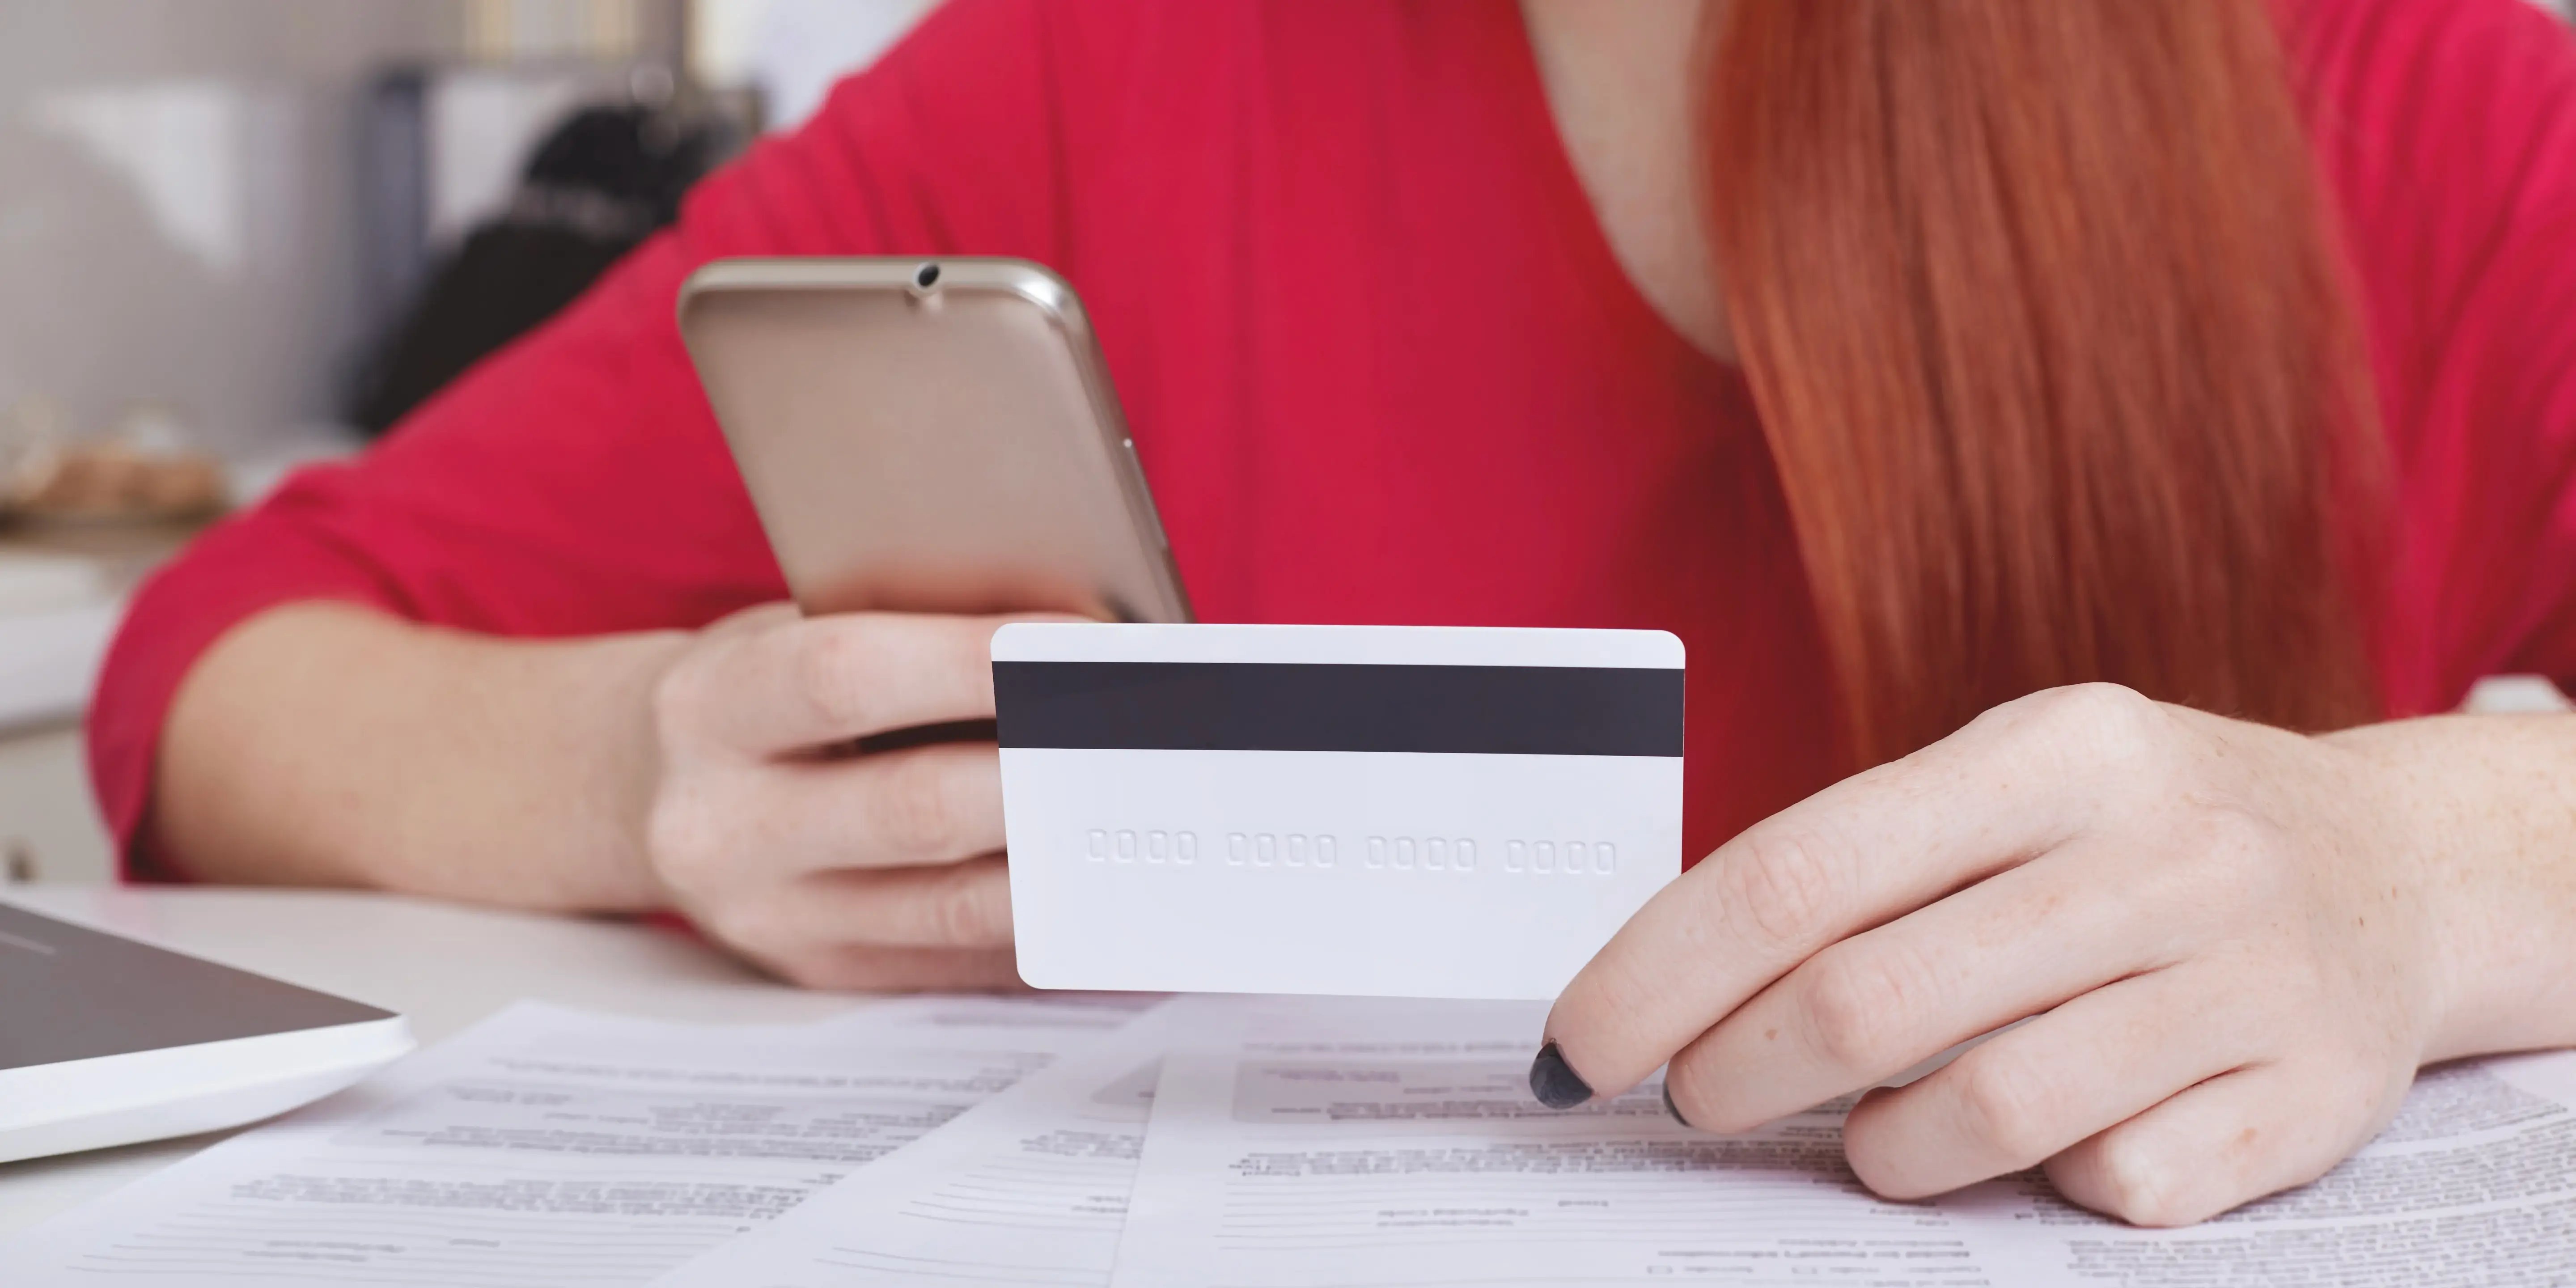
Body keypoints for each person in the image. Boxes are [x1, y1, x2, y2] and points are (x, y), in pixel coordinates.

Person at [89, 0, 2576, 1227]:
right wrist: (654, 771)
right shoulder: (1095, 76)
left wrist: (2429, 870)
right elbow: (220, 668)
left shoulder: (2416, 96)